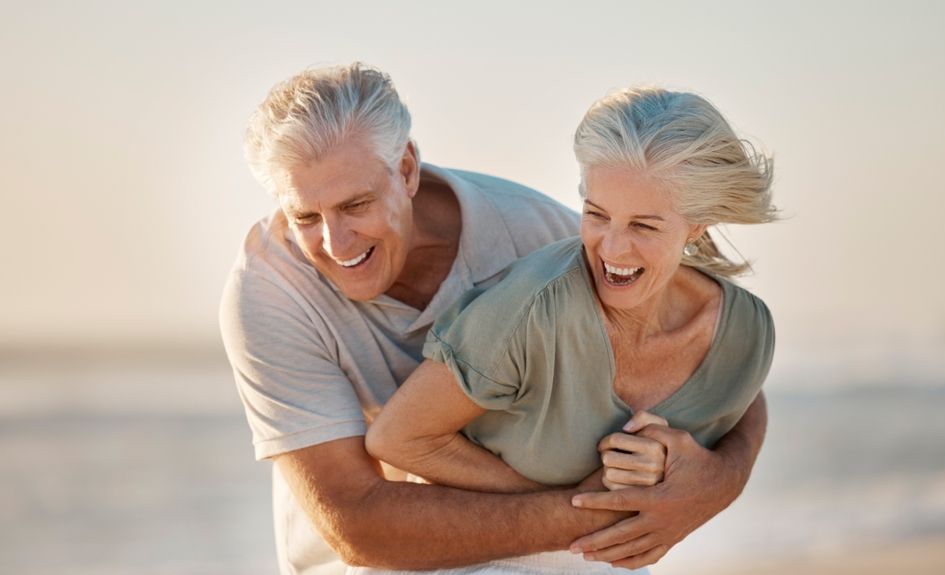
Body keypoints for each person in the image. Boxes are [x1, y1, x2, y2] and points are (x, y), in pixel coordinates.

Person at [220, 63, 769, 575]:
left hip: (543, 550)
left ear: (406, 168)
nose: (335, 243)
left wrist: (719, 480)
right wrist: (609, 509)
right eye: (305, 216)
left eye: (355, 205)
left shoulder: (540, 237)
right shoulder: (269, 294)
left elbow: (709, 367)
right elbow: (359, 522)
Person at [362, 86, 776, 574]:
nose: (613, 249)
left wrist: (706, 476)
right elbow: (397, 439)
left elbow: (746, 406)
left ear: (697, 226)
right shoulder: (532, 310)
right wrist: (572, 501)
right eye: (596, 215)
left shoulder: (743, 330)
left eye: (644, 226)